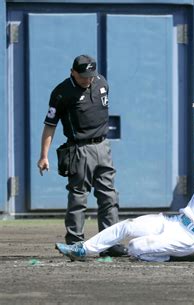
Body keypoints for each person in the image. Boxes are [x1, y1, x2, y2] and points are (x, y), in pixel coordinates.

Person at [55, 102, 194, 264]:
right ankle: (83, 249)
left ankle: (168, 255)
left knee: (134, 247)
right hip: (174, 222)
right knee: (127, 226)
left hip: (188, 238)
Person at [37, 55, 126, 257]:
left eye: (91, 75)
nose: (89, 80)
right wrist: (44, 155)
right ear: (73, 72)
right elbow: (50, 126)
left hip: (103, 146)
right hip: (79, 149)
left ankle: (110, 243)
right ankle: (75, 243)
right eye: (84, 76)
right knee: (79, 197)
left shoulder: (102, 82)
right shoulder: (62, 93)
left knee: (109, 196)